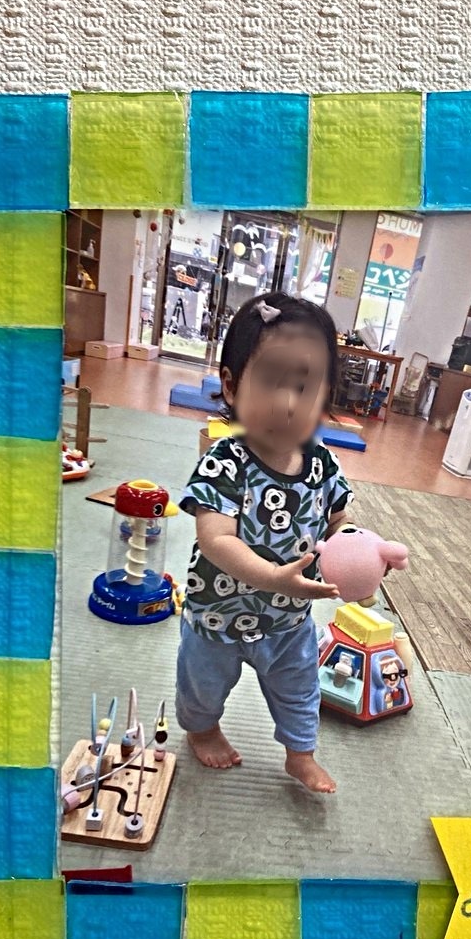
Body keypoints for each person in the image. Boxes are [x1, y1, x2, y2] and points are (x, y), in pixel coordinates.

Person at [175, 291, 353, 793]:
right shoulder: (225, 462)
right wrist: (274, 576)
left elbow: (339, 521)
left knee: (300, 690)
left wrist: (360, 552)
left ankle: (300, 754)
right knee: (202, 687)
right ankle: (203, 730)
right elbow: (215, 539)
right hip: (217, 616)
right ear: (232, 387)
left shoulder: (323, 463)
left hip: (289, 620)